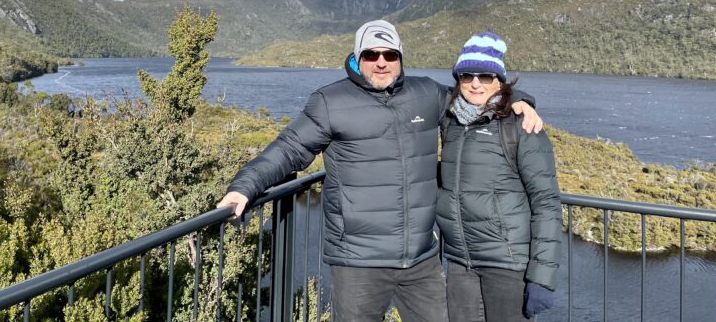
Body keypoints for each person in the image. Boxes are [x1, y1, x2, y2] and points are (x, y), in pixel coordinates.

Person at [217, 20, 542, 322]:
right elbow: (289, 149)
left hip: (421, 260)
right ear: (358, 58)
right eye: (372, 54)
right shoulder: (331, 102)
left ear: (400, 57)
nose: (382, 61)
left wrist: (520, 99)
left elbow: (475, 98)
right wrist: (243, 187)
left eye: (390, 54)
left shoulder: (427, 94)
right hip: (358, 262)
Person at [436, 32, 561, 321]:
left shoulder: (521, 126)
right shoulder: (450, 120)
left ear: (500, 81)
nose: (475, 83)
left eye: (486, 76)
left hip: (507, 264)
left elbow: (546, 204)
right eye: (467, 75)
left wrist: (542, 277)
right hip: (460, 262)